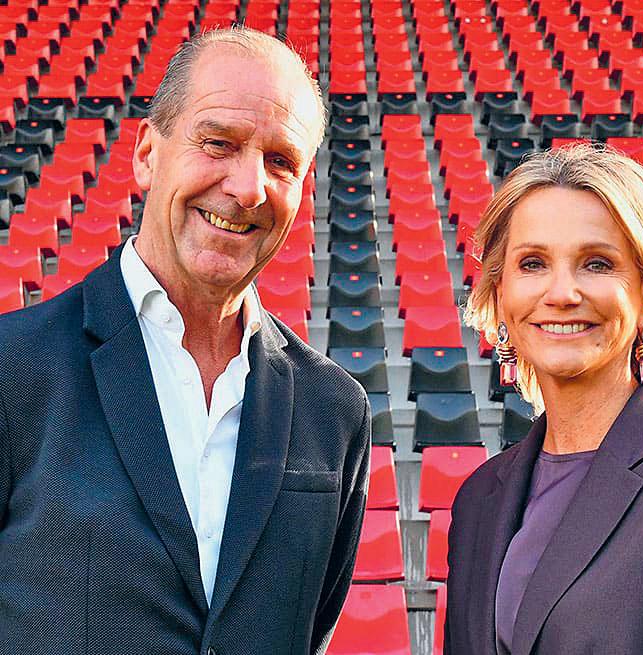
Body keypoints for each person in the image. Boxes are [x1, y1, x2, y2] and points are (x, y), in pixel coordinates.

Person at [0, 27, 371, 655]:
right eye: (218, 143)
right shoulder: (12, 368)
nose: (249, 187)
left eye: (281, 162)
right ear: (147, 154)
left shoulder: (334, 410)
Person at [445, 144, 643, 655]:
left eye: (597, 264)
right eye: (533, 263)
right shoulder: (477, 499)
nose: (562, 292)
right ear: (499, 298)